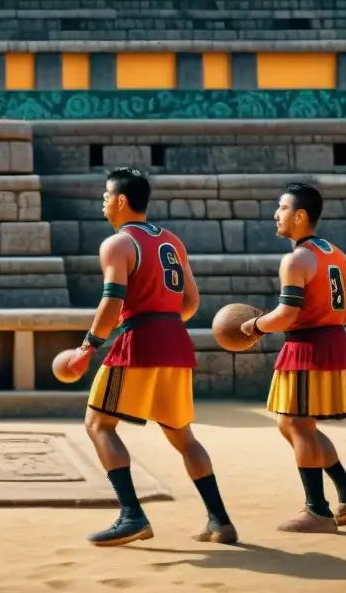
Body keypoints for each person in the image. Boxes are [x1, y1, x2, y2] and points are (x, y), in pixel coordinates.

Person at [75, 168, 236, 546]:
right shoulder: (172, 241)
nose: (102, 201)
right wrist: (163, 321)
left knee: (98, 424)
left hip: (139, 343)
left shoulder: (117, 244)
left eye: (106, 195)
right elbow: (191, 302)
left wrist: (87, 346)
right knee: (184, 437)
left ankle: (132, 515)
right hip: (176, 343)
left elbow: (112, 302)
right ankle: (220, 521)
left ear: (121, 201)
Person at [239, 182, 346, 532]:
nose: (276, 214)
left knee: (297, 426)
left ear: (300, 215)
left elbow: (285, 314)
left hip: (306, 350)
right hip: (333, 343)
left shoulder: (296, 259)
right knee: (298, 425)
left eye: (281, 207)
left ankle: (316, 510)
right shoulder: (336, 254)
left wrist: (255, 326)